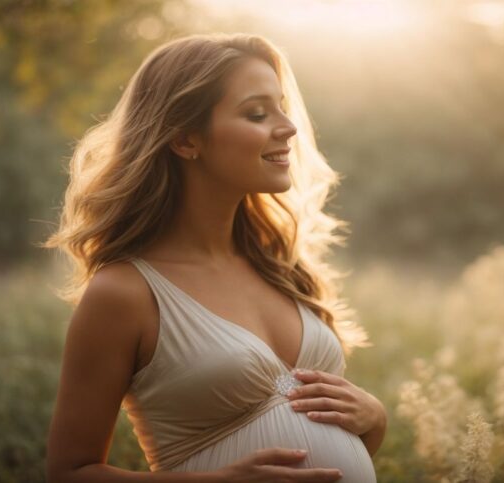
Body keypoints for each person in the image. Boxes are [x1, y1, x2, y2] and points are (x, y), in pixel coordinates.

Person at [43, 33, 386, 482]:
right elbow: (69, 473)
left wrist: (375, 420)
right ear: (186, 140)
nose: (288, 127)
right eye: (258, 113)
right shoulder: (125, 293)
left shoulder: (280, 267)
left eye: (282, 107)